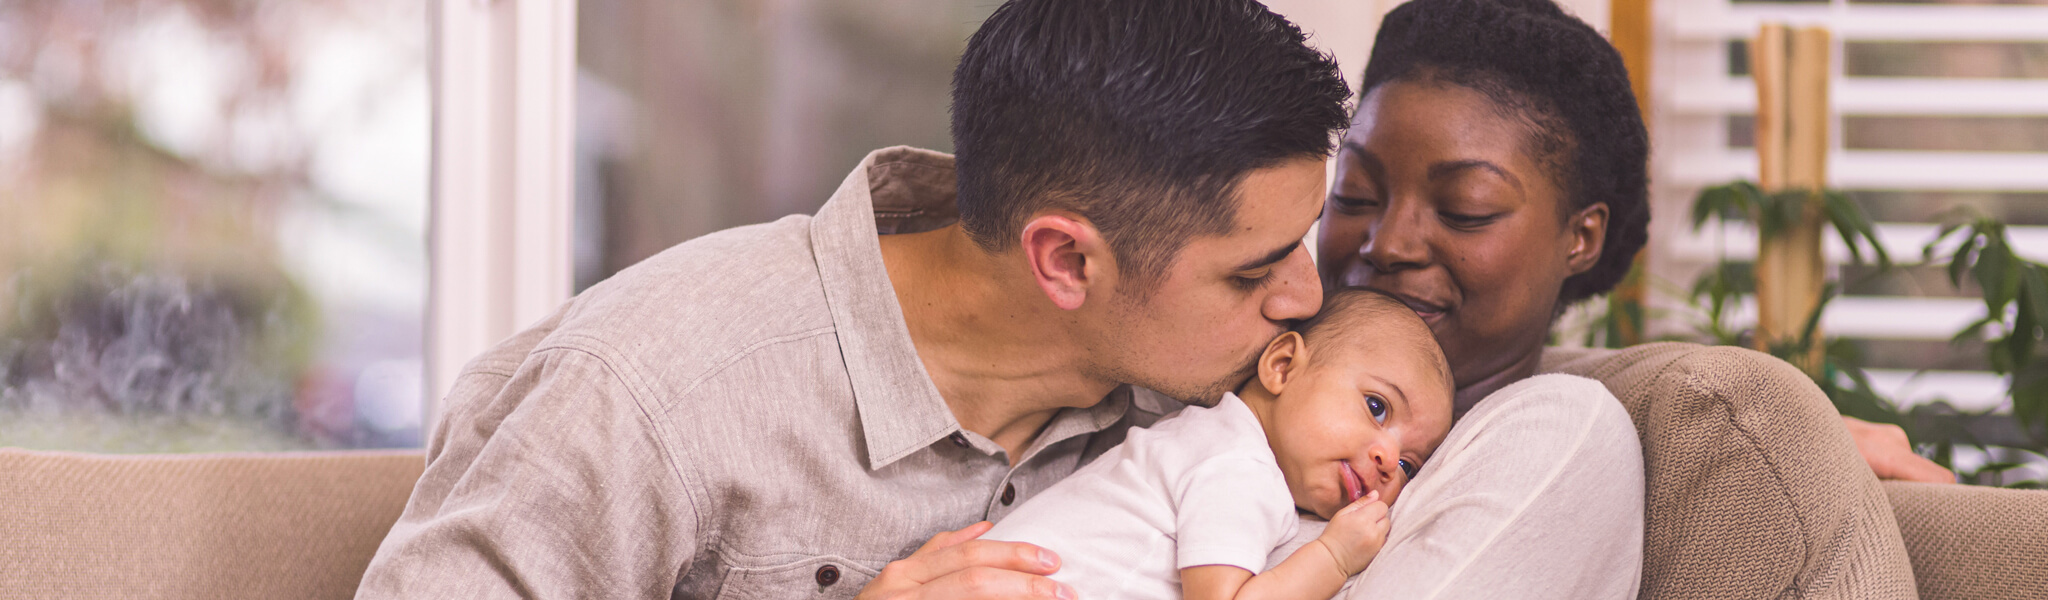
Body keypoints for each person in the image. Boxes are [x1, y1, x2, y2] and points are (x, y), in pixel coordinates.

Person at [353, 1, 1349, 598]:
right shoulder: (651, 389)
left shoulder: (1207, 402)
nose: (1303, 296)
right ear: (1065, 262)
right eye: (1251, 270)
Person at [1308, 0, 1945, 597]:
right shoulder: (1254, 366)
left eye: (1464, 209)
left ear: (1580, 237)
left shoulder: (1551, 440)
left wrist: (1790, 439)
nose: (1387, 242)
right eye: (1356, 194)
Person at [983, 289, 1459, 600]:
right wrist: (1334, 557)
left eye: (1410, 466)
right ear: (1284, 366)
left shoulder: (1208, 436)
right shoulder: (1237, 464)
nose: (1388, 460)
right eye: (1377, 407)